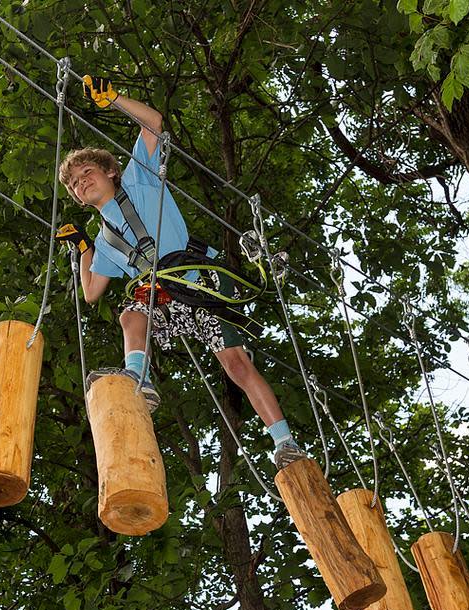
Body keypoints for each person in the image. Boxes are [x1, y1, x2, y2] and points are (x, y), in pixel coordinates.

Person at [55, 75, 306, 470]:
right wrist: (84, 249)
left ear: (111, 173)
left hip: (198, 283)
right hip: (164, 299)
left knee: (236, 365)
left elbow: (153, 121)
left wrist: (115, 98)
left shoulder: (139, 180)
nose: (81, 182)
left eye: (87, 172)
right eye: (74, 183)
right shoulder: (104, 241)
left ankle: (285, 441)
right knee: (130, 314)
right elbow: (90, 291)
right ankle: (139, 379)